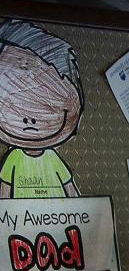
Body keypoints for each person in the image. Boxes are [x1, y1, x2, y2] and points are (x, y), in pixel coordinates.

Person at [0, 20, 83, 198]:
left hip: (56, 218)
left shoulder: (52, 158)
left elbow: (70, 188)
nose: (30, 120)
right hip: (21, 220)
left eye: (46, 107)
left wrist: (82, 210)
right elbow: (5, 190)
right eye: (17, 109)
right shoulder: (14, 159)